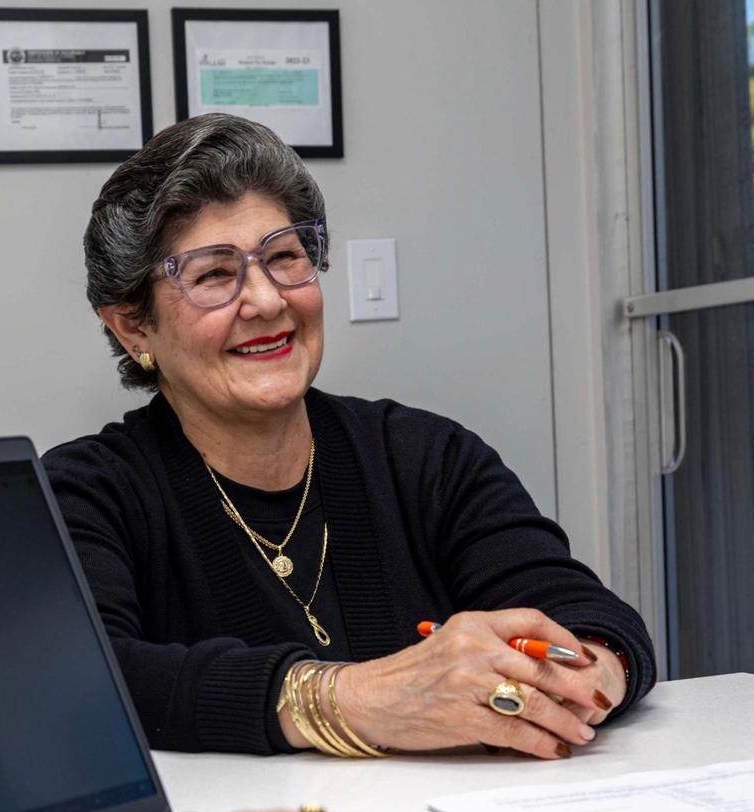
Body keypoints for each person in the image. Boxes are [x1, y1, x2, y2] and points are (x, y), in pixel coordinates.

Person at [42, 113, 655, 760]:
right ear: (133, 329)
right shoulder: (88, 493)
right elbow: (87, 685)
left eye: (284, 258)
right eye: (215, 274)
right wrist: (353, 699)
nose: (268, 300)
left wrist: (584, 674)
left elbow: (589, 618)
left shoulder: (427, 457)